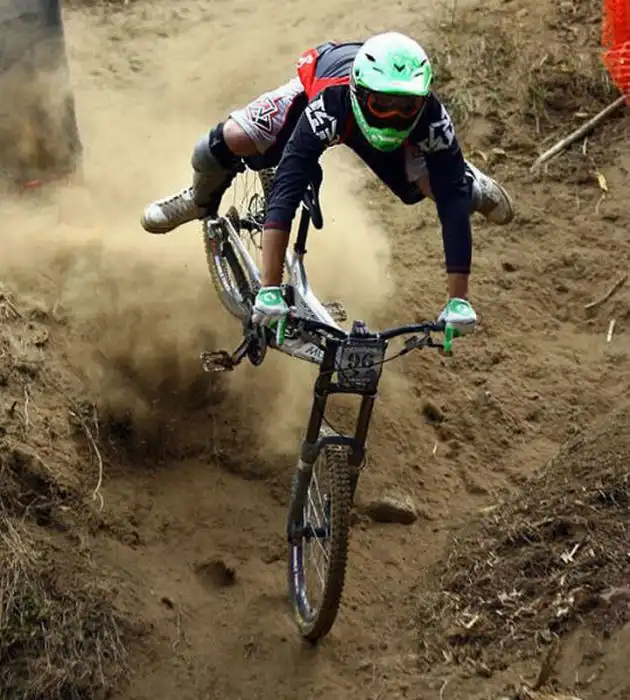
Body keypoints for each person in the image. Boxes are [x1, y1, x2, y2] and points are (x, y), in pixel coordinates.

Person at [141, 32, 514, 338]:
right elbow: (287, 188)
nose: (392, 116)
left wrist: (458, 299)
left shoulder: (431, 116)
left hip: (384, 128)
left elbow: (450, 207)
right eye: (382, 104)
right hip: (323, 95)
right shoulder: (328, 105)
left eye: (406, 107)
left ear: (424, 99)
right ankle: (199, 199)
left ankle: (467, 179)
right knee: (221, 144)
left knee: (450, 192)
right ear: (360, 92)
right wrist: (270, 288)